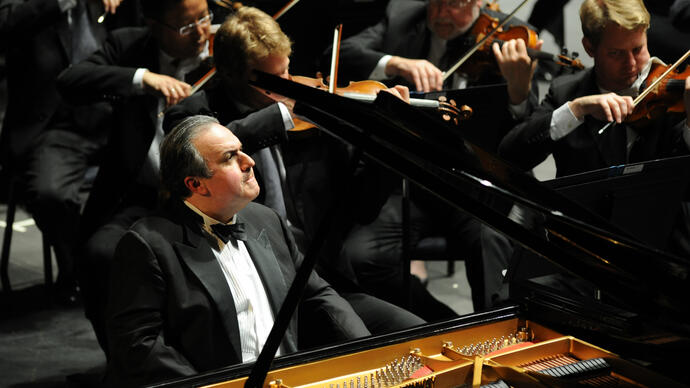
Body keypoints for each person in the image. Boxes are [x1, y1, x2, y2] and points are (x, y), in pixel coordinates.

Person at [165, 6, 426, 335]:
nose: (290, 87)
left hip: (320, 278)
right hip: (248, 288)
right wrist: (282, 115)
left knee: (413, 331)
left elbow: (362, 206)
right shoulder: (195, 112)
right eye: (274, 82)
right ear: (232, 76)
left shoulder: (314, 117)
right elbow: (208, 151)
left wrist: (389, 143)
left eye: (288, 72)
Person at [56, 0, 287, 354]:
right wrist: (142, 78)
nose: (199, 32)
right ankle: (127, 362)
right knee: (99, 254)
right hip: (143, 193)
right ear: (154, 24)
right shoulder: (130, 46)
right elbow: (70, 80)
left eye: (204, 18)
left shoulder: (221, 58)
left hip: (208, 194)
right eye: (185, 26)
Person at [105, 115, 370, 387]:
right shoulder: (148, 244)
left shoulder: (268, 220)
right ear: (196, 184)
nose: (249, 161)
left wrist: (367, 351)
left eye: (241, 150)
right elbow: (140, 346)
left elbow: (319, 295)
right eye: (230, 157)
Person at [322, 0, 543, 314]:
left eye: (453, 4)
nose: (441, 13)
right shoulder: (401, 17)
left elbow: (523, 143)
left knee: (490, 247)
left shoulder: (512, 38)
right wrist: (397, 63)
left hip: (474, 189)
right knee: (361, 256)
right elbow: (338, 53)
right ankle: (436, 323)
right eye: (435, 3)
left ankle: (492, 334)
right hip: (413, 184)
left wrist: (518, 93)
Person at [0, 0, 126, 302]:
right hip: (56, 125)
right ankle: (79, 268)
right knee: (50, 192)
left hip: (115, 114)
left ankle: (130, 268)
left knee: (162, 170)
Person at [499, 0, 690, 177]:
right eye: (616, 53)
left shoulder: (673, 99)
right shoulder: (566, 92)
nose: (631, 64)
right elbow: (510, 158)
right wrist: (577, 109)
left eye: (638, 49)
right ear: (589, 48)